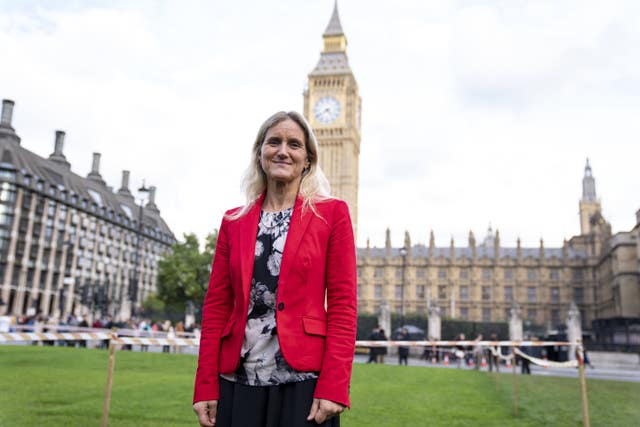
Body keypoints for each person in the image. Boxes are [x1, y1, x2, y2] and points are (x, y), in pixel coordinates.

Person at [193, 111, 357, 427]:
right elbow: (216, 308)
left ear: (308, 159)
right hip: (237, 379)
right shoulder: (233, 221)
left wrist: (335, 386)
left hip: (303, 382)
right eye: (274, 142)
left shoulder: (332, 214)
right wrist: (204, 387)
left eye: (294, 144)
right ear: (260, 153)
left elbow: (343, 306)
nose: (283, 150)